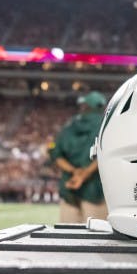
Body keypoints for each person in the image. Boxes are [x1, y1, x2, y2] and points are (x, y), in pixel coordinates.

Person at [52, 91, 107, 223]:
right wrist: (83, 175)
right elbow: (104, 155)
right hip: (95, 191)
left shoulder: (69, 125)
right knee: (96, 240)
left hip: (69, 188)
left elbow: (56, 156)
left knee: (68, 238)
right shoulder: (105, 124)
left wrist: (74, 172)